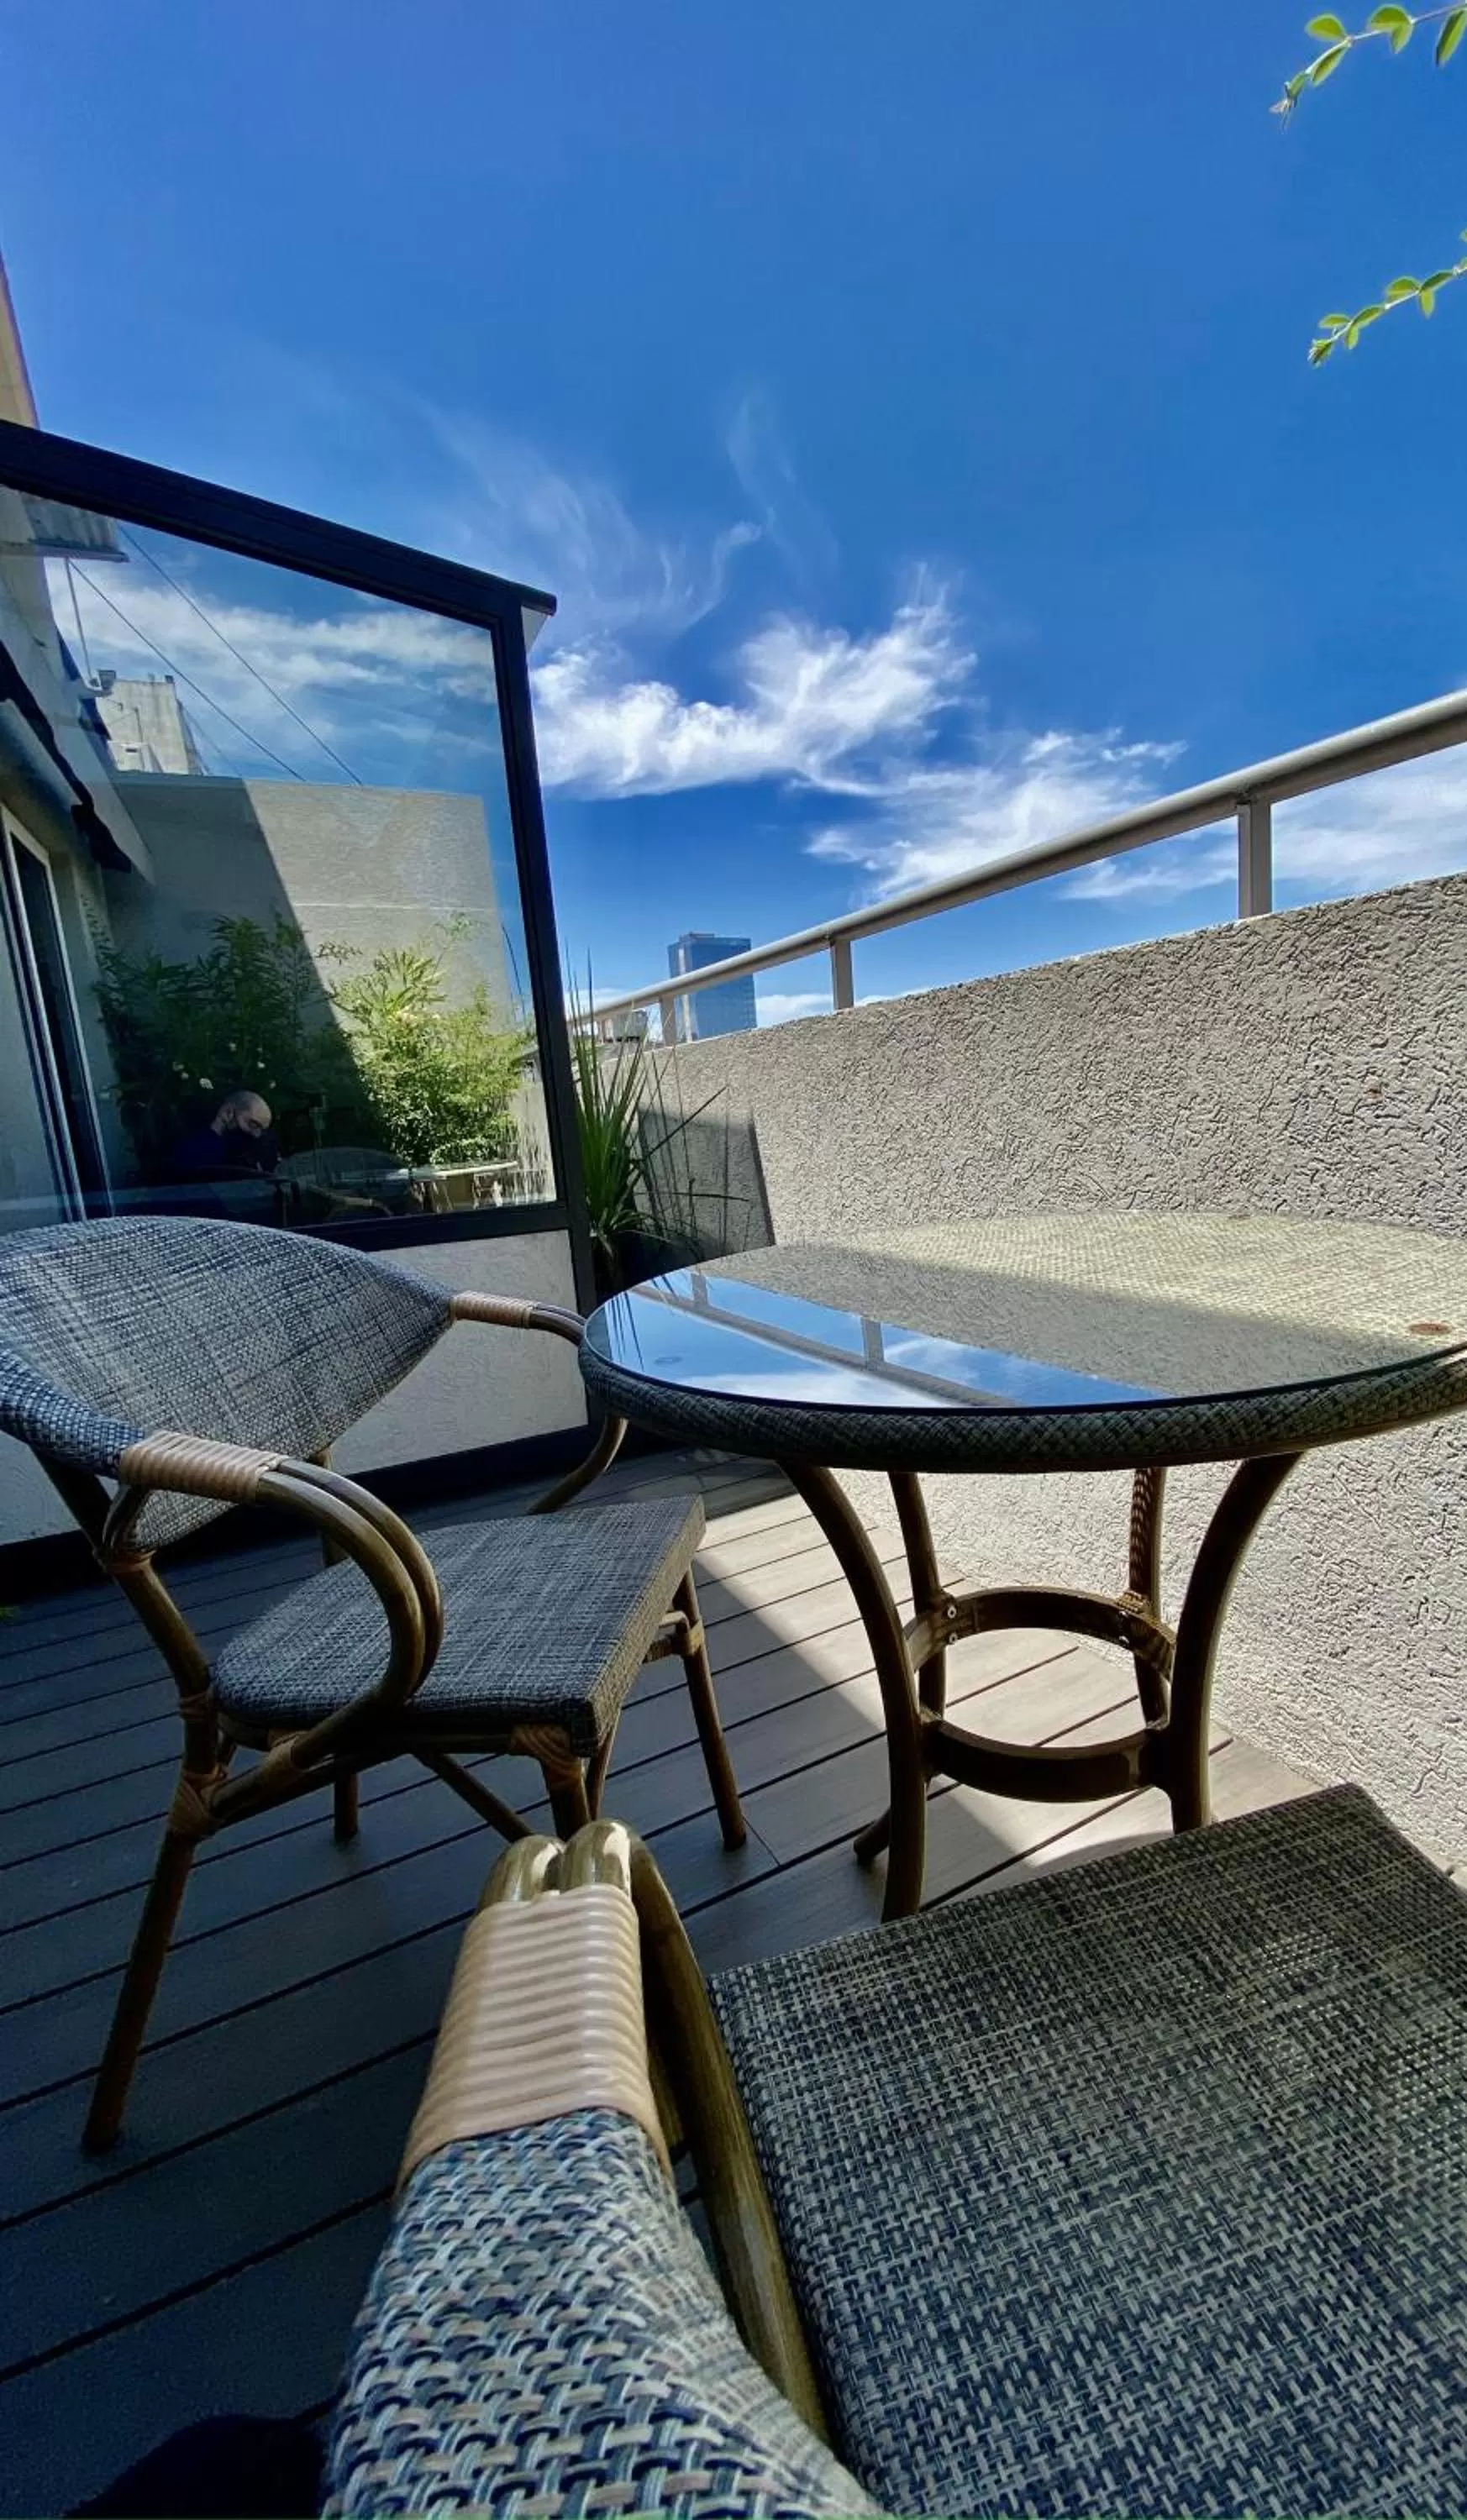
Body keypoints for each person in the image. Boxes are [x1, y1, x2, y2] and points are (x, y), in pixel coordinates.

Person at [166, 1089, 279, 1181]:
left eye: (262, 1130)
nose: (257, 1135)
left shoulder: (244, 1156)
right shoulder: (194, 1150)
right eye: (252, 1124)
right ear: (228, 1112)